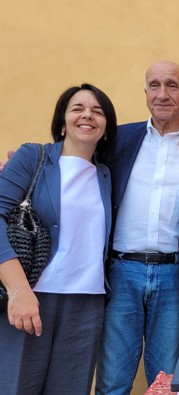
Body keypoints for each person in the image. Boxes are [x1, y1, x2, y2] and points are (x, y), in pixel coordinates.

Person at [95, 61, 179, 393]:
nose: (162, 93)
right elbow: (77, 164)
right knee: (112, 379)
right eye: (154, 85)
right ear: (145, 94)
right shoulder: (116, 139)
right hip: (120, 272)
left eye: (172, 85)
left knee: (168, 381)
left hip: (176, 276)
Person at [0, 84, 116, 394]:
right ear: (62, 120)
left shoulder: (105, 174)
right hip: (32, 297)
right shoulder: (31, 157)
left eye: (97, 110)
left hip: (86, 305)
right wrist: (18, 290)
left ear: (106, 127)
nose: (87, 115)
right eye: (77, 108)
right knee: (16, 387)